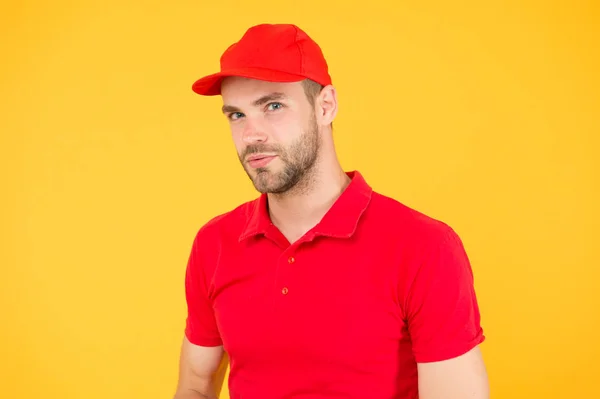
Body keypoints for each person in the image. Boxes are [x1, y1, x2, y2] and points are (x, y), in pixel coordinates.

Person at [173, 23, 489, 399]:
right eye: (236, 115)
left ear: (326, 107)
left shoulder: (423, 246)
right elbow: (195, 387)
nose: (251, 134)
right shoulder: (215, 244)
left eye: (273, 106)